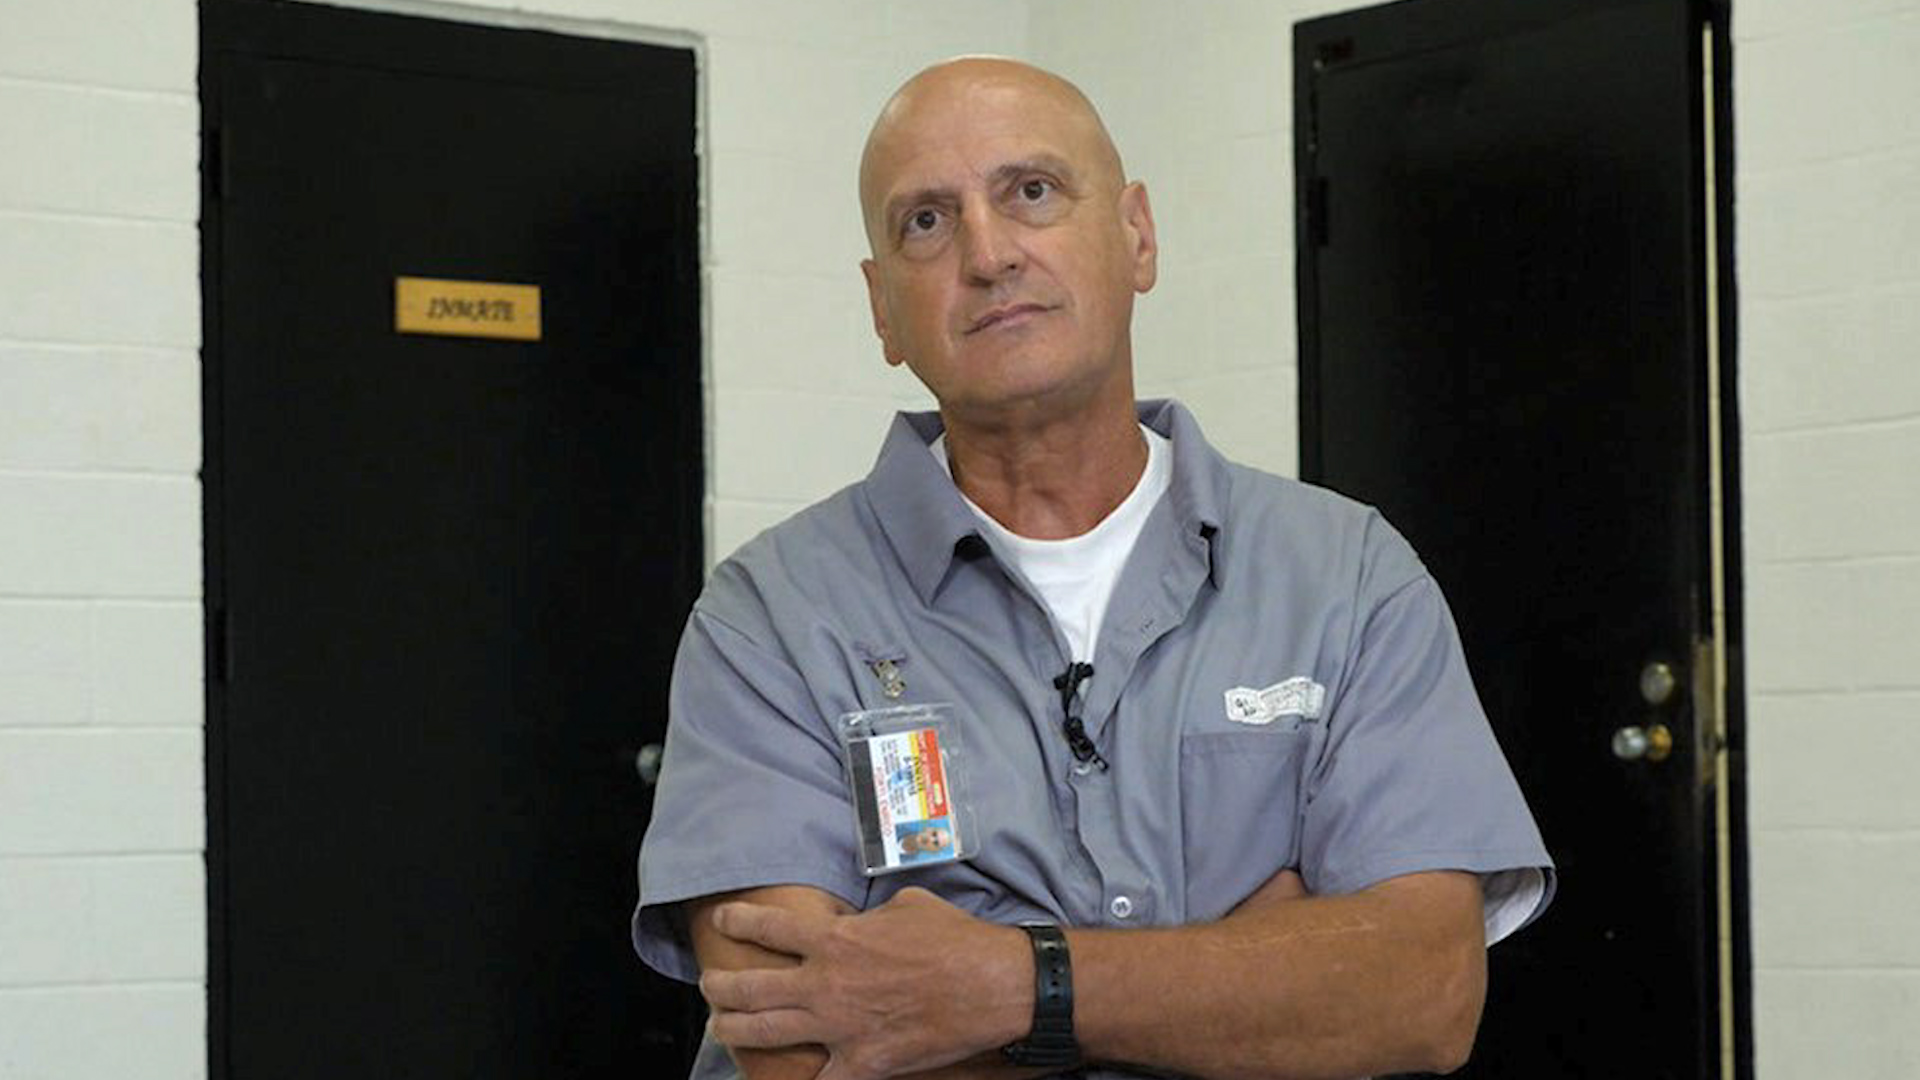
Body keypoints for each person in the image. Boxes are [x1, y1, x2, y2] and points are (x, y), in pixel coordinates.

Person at [634, 56, 1552, 1080]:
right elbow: (800, 1048)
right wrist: (1250, 972)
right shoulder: (770, 620)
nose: (989, 254)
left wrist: (1000, 985)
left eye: (1032, 192)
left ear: (1137, 237)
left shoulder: (1347, 580)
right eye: (926, 222)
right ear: (882, 307)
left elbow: (1423, 992)